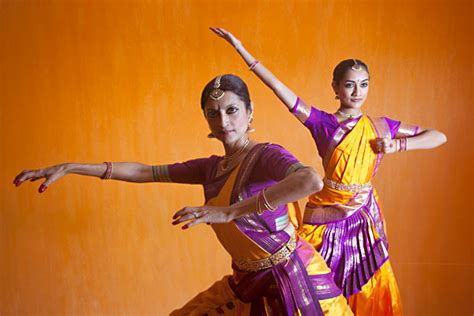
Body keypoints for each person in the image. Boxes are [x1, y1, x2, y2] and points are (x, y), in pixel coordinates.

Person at [14, 74, 353, 315]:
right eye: (213, 112)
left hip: (292, 278)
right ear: (206, 119)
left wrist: (229, 212)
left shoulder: (265, 156)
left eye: (232, 109)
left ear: (250, 112)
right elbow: (144, 172)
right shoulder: (209, 168)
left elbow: (310, 180)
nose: (223, 120)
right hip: (247, 281)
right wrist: (73, 166)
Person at [211, 28, 447, 315]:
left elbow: (438, 136)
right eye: (349, 85)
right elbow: (280, 90)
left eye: (363, 84)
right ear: (335, 87)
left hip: (362, 218)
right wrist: (242, 49)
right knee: (316, 286)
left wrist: (398, 145)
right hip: (325, 218)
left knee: (369, 287)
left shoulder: (381, 127)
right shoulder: (323, 124)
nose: (357, 92)